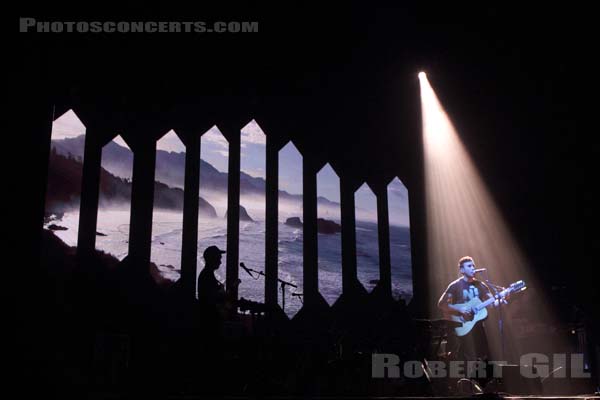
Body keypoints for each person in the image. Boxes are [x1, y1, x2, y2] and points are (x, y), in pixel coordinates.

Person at [437, 256, 502, 364]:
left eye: (473, 266)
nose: (473, 268)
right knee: (462, 357)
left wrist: (502, 298)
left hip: (477, 326)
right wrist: (460, 309)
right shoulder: (455, 285)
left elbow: (492, 303)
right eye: (469, 266)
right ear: (462, 270)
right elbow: (441, 304)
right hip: (460, 325)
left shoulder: (481, 285)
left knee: (483, 357)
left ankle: (481, 379)